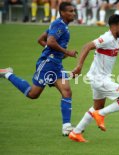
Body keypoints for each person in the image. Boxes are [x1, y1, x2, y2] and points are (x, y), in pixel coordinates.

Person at [0, 2, 77, 136]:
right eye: (70, 11)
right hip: (47, 64)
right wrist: (66, 52)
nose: (73, 13)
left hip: (56, 64)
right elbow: (50, 41)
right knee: (33, 94)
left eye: (73, 11)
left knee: (67, 92)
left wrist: (57, 53)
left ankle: (67, 127)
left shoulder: (59, 24)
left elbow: (41, 40)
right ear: (63, 12)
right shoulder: (59, 25)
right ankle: (7, 74)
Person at [68, 14, 119, 142]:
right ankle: (100, 115)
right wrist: (79, 67)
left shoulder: (118, 40)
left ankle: (76, 132)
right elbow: (86, 46)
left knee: (97, 107)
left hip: (99, 79)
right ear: (113, 26)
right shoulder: (106, 38)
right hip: (100, 80)